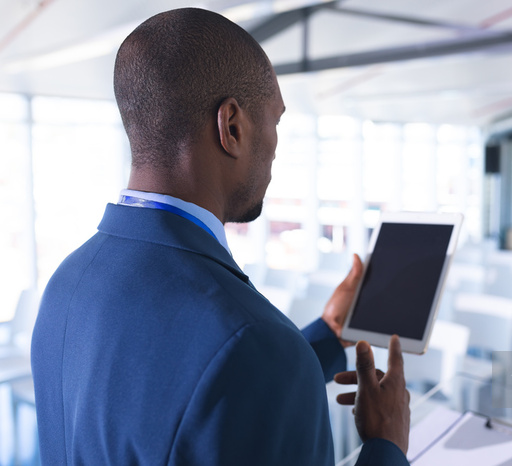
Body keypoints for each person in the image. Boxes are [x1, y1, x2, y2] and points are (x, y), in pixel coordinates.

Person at [31, 7, 410, 465]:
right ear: (231, 127)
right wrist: (386, 444)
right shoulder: (255, 345)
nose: (275, 145)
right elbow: (230, 369)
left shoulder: (67, 283)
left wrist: (330, 333)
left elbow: (174, 394)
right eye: (275, 121)